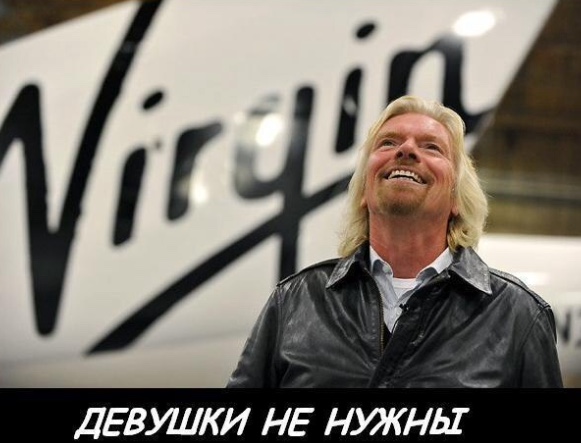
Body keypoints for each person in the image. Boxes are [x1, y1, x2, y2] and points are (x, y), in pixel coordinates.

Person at [227, 95, 563, 388]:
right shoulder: (295, 302)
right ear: (364, 190)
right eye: (388, 143)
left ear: (457, 198)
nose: (406, 150)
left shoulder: (517, 316)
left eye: (431, 147)